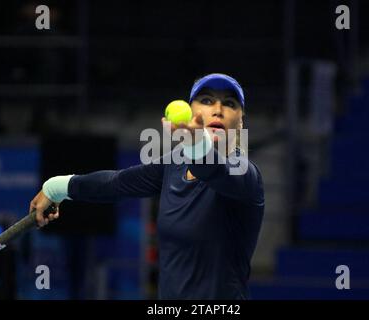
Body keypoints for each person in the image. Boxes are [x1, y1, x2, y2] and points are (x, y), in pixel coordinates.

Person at [30, 73, 265, 299]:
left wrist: (195, 144)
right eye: (206, 100)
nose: (218, 109)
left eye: (229, 103)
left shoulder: (244, 174)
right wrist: (55, 187)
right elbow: (116, 183)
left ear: (241, 120)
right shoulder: (173, 165)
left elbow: (214, 171)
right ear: (192, 111)